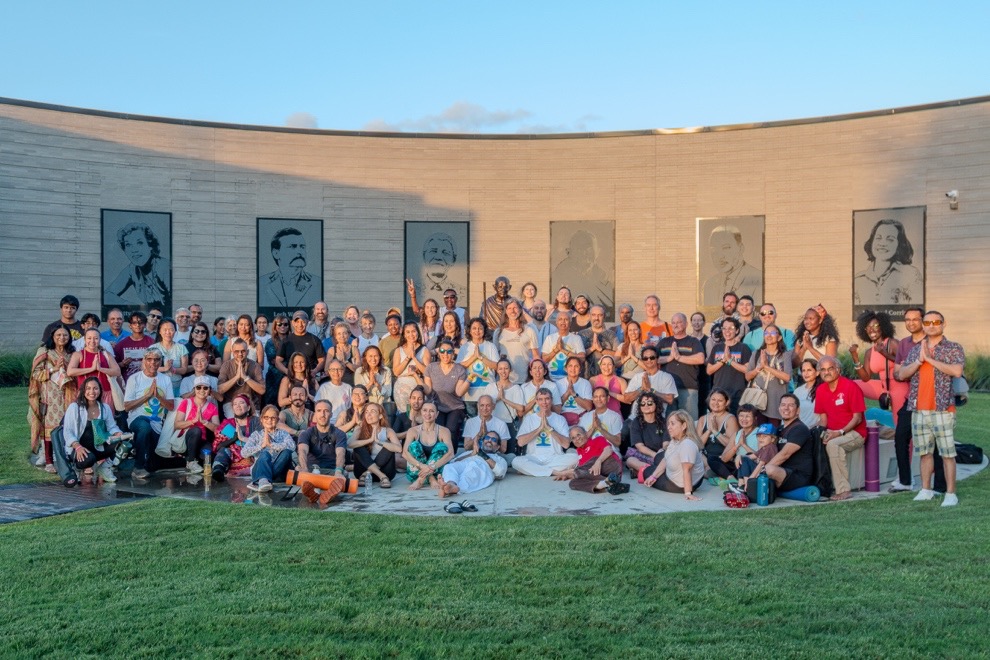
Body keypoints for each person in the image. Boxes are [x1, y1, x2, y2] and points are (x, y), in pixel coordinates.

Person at [897, 310, 965, 506]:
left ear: (944, 324)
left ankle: (950, 493)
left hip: (943, 408)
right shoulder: (916, 349)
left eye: (936, 322)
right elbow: (902, 374)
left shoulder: (953, 348)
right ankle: (926, 489)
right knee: (924, 452)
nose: (931, 325)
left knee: (947, 453)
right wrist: (919, 360)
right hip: (919, 408)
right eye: (927, 322)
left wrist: (930, 360)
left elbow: (957, 371)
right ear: (923, 325)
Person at [814, 356, 867, 502]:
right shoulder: (820, 390)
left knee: (833, 444)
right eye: (823, 369)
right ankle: (821, 487)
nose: (827, 372)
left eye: (830, 368)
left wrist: (839, 432)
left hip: (855, 433)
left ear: (838, 369)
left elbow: (858, 418)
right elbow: (823, 420)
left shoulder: (850, 386)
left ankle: (844, 490)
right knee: (813, 440)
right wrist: (817, 432)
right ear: (819, 372)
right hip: (833, 432)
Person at [28, 326, 77, 472]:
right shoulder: (45, 352)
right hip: (50, 394)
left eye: (65, 335)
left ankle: (68, 458)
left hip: (69, 393)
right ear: (53, 336)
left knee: (68, 425)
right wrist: (53, 369)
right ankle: (49, 461)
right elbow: (35, 374)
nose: (62, 337)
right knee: (49, 427)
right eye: (58, 335)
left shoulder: (72, 352)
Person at [849, 310, 908, 426]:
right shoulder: (869, 352)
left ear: (883, 326)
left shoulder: (892, 343)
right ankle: (856, 419)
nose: (872, 329)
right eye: (868, 327)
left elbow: (906, 365)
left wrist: (884, 353)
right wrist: (855, 357)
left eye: (875, 325)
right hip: (882, 387)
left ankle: (910, 444)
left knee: (900, 423)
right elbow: (866, 378)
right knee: (851, 385)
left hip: (899, 386)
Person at [889, 307, 926, 492]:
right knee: (901, 437)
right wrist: (907, 371)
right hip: (910, 399)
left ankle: (938, 484)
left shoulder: (930, 342)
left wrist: (907, 369)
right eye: (907, 320)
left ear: (923, 320)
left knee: (931, 443)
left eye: (915, 319)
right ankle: (905, 481)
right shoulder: (904, 343)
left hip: (929, 400)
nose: (911, 323)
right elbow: (897, 373)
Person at [124, 349, 176, 479]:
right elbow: (127, 407)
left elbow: (170, 406)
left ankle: (146, 462)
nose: (153, 362)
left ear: (160, 362)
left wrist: (158, 396)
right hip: (137, 419)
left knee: (153, 465)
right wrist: (147, 396)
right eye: (149, 359)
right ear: (144, 361)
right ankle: (138, 468)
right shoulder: (134, 379)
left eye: (157, 359)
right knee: (144, 428)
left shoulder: (165, 379)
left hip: (157, 423)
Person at [62, 377, 125, 484]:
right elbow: (67, 432)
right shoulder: (74, 407)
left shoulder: (105, 408)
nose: (92, 392)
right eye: (88, 388)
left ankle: (105, 468)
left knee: (125, 444)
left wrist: (118, 433)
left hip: (98, 446)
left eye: (95, 388)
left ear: (100, 391)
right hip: (78, 448)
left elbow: (112, 427)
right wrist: (77, 446)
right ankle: (75, 468)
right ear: (83, 390)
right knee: (89, 459)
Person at [854, 218, 923, 305]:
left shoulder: (911, 274)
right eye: (878, 238)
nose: (882, 243)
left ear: (899, 244)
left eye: (890, 239)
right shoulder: (858, 280)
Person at [104, 223, 172, 310]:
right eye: (128, 245)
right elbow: (107, 294)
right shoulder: (132, 269)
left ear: (150, 245)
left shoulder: (164, 267)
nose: (134, 250)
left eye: (139, 243)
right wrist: (131, 306)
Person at [512, 388, 578, 477]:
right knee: (516, 461)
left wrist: (550, 429)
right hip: (534, 458)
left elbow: (566, 444)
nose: (544, 402)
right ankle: (556, 472)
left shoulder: (560, 419)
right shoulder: (529, 419)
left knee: (576, 458)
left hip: (555, 457)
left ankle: (533, 470)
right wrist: (539, 429)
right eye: (541, 399)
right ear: (536, 401)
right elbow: (520, 442)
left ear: (552, 400)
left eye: (547, 398)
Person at [641, 411, 705, 500]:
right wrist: (654, 476)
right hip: (679, 473)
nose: (669, 427)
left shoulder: (687, 444)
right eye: (668, 424)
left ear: (684, 426)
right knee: (659, 457)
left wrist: (688, 493)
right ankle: (659, 470)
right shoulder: (676, 439)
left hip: (680, 485)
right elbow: (666, 458)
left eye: (672, 424)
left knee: (646, 471)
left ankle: (651, 469)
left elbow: (687, 470)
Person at [552, 229, 615, 317]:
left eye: (589, 249)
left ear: (597, 252)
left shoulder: (604, 277)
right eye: (579, 249)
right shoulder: (559, 275)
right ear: (569, 252)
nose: (585, 253)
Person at [657, 313, 705, 419]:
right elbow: (653, 359)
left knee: (689, 421)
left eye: (679, 322)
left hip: (688, 389)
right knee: (669, 422)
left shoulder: (693, 341)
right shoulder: (664, 342)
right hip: (667, 390)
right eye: (673, 323)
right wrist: (669, 358)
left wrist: (679, 357)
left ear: (686, 324)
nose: (675, 325)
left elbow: (700, 359)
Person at [744, 323, 793, 425]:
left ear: (779, 337)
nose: (769, 335)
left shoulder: (785, 355)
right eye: (766, 333)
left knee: (772, 435)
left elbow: (787, 377)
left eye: (773, 333)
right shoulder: (757, 353)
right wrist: (759, 368)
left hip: (775, 403)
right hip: (757, 402)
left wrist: (767, 367)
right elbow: (747, 376)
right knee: (758, 433)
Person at [764, 394, 816, 492]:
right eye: (783, 405)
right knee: (745, 460)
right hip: (781, 471)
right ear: (779, 408)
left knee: (769, 469)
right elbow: (766, 451)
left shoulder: (800, 428)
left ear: (798, 410)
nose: (786, 408)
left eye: (791, 405)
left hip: (797, 476)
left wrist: (762, 471)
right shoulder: (779, 429)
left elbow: (785, 454)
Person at [701, 224, 762, 305]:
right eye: (714, 250)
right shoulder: (709, 285)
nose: (719, 256)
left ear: (741, 248)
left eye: (726, 248)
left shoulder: (758, 279)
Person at [552, 426, 623, 493]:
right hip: (601, 474)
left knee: (592, 461)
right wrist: (568, 476)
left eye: (578, 435)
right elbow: (585, 472)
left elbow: (608, 450)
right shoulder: (579, 451)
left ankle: (608, 482)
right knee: (573, 483)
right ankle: (605, 484)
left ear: (586, 433)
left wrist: (598, 461)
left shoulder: (597, 439)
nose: (577, 438)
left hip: (611, 465)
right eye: (573, 438)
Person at [171, 376, 220, 473]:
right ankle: (190, 462)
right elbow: (177, 424)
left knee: (209, 456)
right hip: (186, 439)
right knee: (196, 430)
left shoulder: (212, 407)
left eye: (205, 388)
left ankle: (193, 458)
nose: (202, 390)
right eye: (198, 387)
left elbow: (217, 429)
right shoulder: (186, 402)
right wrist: (193, 421)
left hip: (201, 440)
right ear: (194, 389)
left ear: (210, 390)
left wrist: (204, 421)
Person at [438, 431, 508, 498]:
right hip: (465, 463)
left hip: (480, 468)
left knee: (471, 471)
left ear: (498, 447)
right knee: (449, 467)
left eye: (493, 439)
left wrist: (481, 453)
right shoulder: (471, 452)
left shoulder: (499, 459)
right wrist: (471, 454)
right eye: (487, 438)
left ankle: (451, 488)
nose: (489, 440)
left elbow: (500, 472)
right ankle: (451, 484)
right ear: (483, 441)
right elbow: (453, 461)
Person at [242, 404, 295, 492]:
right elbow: (244, 453)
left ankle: (262, 480)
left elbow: (292, 446)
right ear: (261, 419)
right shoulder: (256, 435)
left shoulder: (283, 433)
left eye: (273, 418)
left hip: (279, 471)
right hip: (258, 469)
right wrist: (261, 446)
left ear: (277, 420)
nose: (269, 420)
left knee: (286, 452)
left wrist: (271, 444)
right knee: (265, 454)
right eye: (266, 417)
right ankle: (263, 480)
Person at [424, 338, 470, 439]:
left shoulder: (459, 369)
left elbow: (458, 393)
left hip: (455, 407)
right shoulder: (431, 368)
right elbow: (428, 390)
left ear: (453, 354)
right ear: (438, 354)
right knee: (438, 430)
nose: (445, 354)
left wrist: (469, 379)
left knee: (451, 429)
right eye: (442, 351)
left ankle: (452, 453)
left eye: (449, 351)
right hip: (437, 406)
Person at [403, 400, 455, 489]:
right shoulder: (413, 431)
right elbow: (405, 453)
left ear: (437, 414)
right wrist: (422, 466)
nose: (428, 413)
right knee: (414, 445)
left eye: (431, 411)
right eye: (425, 410)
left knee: (442, 447)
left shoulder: (444, 431)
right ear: (421, 412)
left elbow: (450, 454)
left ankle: (421, 480)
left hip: (437, 473)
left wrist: (431, 468)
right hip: (416, 473)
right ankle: (429, 479)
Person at [259, 227, 316, 308]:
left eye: (302, 247)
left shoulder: (316, 283)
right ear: (276, 253)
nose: (300, 252)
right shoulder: (262, 283)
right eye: (293, 246)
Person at [705, 317, 752, 411]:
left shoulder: (743, 348)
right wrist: (722, 361)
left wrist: (730, 361)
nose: (727, 331)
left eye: (731, 328)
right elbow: (709, 371)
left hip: (737, 393)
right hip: (719, 393)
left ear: (737, 330)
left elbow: (747, 370)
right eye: (724, 328)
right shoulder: (717, 348)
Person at [350, 402, 402, 486]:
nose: (368, 414)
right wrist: (369, 440)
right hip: (362, 472)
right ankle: (381, 476)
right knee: (358, 447)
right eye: (366, 412)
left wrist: (379, 442)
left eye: (373, 411)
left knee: (389, 446)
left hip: (385, 472)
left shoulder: (388, 431)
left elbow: (399, 449)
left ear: (380, 416)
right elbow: (350, 444)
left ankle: (368, 473)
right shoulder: (359, 429)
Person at [211, 394, 260, 481]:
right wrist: (234, 439)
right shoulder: (227, 423)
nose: (238, 406)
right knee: (224, 450)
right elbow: (217, 446)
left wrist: (242, 438)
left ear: (248, 407)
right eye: (235, 404)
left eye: (241, 403)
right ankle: (218, 470)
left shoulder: (256, 421)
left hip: (249, 456)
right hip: (231, 458)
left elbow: (260, 442)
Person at [66, 328, 121, 407]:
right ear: (84, 339)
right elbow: (70, 371)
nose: (92, 341)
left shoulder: (106, 354)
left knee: (104, 417)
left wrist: (101, 369)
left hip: (104, 394)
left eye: (95, 338)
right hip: (86, 393)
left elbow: (117, 371)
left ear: (100, 340)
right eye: (89, 338)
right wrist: (92, 369)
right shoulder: (78, 354)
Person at [457, 317, 500, 415]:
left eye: (480, 328)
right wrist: (473, 357)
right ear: (470, 331)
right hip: (469, 394)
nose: (477, 331)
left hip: (488, 393)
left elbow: (497, 366)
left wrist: (481, 357)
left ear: (484, 330)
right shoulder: (465, 347)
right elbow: (458, 367)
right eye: (474, 328)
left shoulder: (490, 346)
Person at [492, 298, 539, 384]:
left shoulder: (529, 330)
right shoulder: (498, 332)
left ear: (520, 310)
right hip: (504, 380)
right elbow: (495, 357)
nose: (512, 311)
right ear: (506, 311)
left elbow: (536, 356)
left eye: (515, 308)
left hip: (525, 379)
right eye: (509, 308)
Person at [696, 388, 740, 479]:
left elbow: (731, 444)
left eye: (720, 400)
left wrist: (716, 432)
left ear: (726, 402)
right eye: (713, 399)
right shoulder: (703, 419)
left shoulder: (731, 419)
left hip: (721, 459)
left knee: (706, 472)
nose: (716, 403)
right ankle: (710, 469)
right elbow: (697, 445)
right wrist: (709, 430)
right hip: (704, 457)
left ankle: (712, 470)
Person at [296, 399, 347, 475]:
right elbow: (302, 451)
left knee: (344, 473)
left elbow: (341, 453)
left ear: (331, 414)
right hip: (311, 470)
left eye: (326, 411)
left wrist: (338, 471)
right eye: (319, 411)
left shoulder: (340, 434)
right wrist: (304, 469)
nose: (323, 414)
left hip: (331, 470)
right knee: (298, 469)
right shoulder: (306, 433)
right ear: (315, 414)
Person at [218, 338, 265, 417]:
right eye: (237, 351)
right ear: (232, 352)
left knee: (253, 425)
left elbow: (262, 390)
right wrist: (236, 377)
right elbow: (220, 389)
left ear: (248, 352)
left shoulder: (255, 366)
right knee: (234, 422)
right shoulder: (226, 365)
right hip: (231, 402)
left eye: (243, 351)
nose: (240, 354)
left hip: (251, 402)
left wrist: (245, 377)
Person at [392, 321, 431, 415]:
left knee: (417, 416)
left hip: (417, 387)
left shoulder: (424, 350)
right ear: (404, 335)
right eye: (408, 332)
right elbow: (396, 372)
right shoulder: (398, 350)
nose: (411, 334)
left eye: (413, 331)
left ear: (418, 332)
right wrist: (408, 357)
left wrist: (414, 358)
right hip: (402, 389)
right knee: (404, 416)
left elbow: (427, 371)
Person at [624, 391, 666, 477]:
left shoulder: (663, 422)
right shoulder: (636, 422)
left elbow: (666, 443)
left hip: (661, 454)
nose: (646, 405)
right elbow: (639, 446)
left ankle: (642, 471)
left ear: (656, 405)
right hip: (643, 455)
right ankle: (654, 470)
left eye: (649, 403)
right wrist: (654, 455)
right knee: (630, 461)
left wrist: (660, 454)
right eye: (642, 404)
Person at [276, 310, 326, 376]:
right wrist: (287, 371)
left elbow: (322, 360)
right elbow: (278, 361)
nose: (300, 324)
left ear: (307, 322)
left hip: (309, 377)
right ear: (293, 323)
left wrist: (315, 371)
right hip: (292, 378)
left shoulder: (314, 340)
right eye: (297, 322)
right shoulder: (286, 341)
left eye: (303, 322)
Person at [148, 318, 188, 396]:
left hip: (177, 387)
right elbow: (146, 368)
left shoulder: (181, 348)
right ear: (159, 331)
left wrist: (173, 369)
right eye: (165, 329)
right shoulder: (153, 348)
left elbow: (184, 370)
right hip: (158, 388)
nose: (168, 332)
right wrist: (165, 369)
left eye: (171, 329)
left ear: (175, 331)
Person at [541, 311, 586, 380]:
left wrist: (563, 350)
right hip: (552, 379)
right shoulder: (549, 338)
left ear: (570, 323)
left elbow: (582, 358)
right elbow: (544, 359)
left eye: (566, 319)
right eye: (560, 319)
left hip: (570, 379)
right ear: (556, 322)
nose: (563, 322)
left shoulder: (576, 338)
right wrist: (556, 350)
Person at [736, 423, 780, 490]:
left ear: (772, 439)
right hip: (760, 472)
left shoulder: (770, 447)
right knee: (743, 458)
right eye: (759, 436)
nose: (761, 439)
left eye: (764, 436)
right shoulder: (764, 447)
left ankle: (746, 484)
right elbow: (751, 456)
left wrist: (750, 481)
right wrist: (739, 456)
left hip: (765, 474)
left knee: (744, 460)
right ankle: (741, 483)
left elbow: (761, 465)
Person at [355, 345, 394, 418]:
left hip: (383, 406)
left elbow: (388, 393)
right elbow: (358, 393)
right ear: (365, 357)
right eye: (370, 356)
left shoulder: (386, 371)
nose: (373, 359)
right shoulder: (359, 371)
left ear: (380, 357)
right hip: (366, 407)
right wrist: (370, 383)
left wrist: (376, 383)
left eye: (376, 356)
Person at [579, 305, 617, 378]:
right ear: (589, 316)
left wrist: (601, 350)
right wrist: (592, 348)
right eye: (594, 315)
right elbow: (578, 357)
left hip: (607, 378)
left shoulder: (611, 335)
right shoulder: (582, 334)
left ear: (604, 317)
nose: (596, 318)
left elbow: (618, 356)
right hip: (586, 378)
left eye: (600, 315)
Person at [555, 356, 593, 426]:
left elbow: (589, 407)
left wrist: (573, 393)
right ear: (565, 369)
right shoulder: (558, 384)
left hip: (581, 418)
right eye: (570, 366)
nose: (573, 369)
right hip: (562, 419)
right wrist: (567, 394)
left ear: (580, 369)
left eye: (576, 366)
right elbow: (555, 408)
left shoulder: (585, 383)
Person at [730, 404, 763, 478]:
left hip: (753, 466)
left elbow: (761, 457)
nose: (744, 419)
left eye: (747, 416)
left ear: (755, 418)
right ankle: (730, 477)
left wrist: (744, 445)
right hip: (738, 464)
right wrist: (738, 444)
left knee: (744, 459)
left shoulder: (760, 433)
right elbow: (724, 458)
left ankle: (741, 482)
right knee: (713, 459)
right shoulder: (738, 433)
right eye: (741, 416)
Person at [793, 359, 822, 429]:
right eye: (803, 370)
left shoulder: (822, 390)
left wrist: (810, 429)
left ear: (817, 372)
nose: (806, 373)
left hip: (815, 431)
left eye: (809, 370)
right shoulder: (797, 391)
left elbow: (825, 419)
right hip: (799, 429)